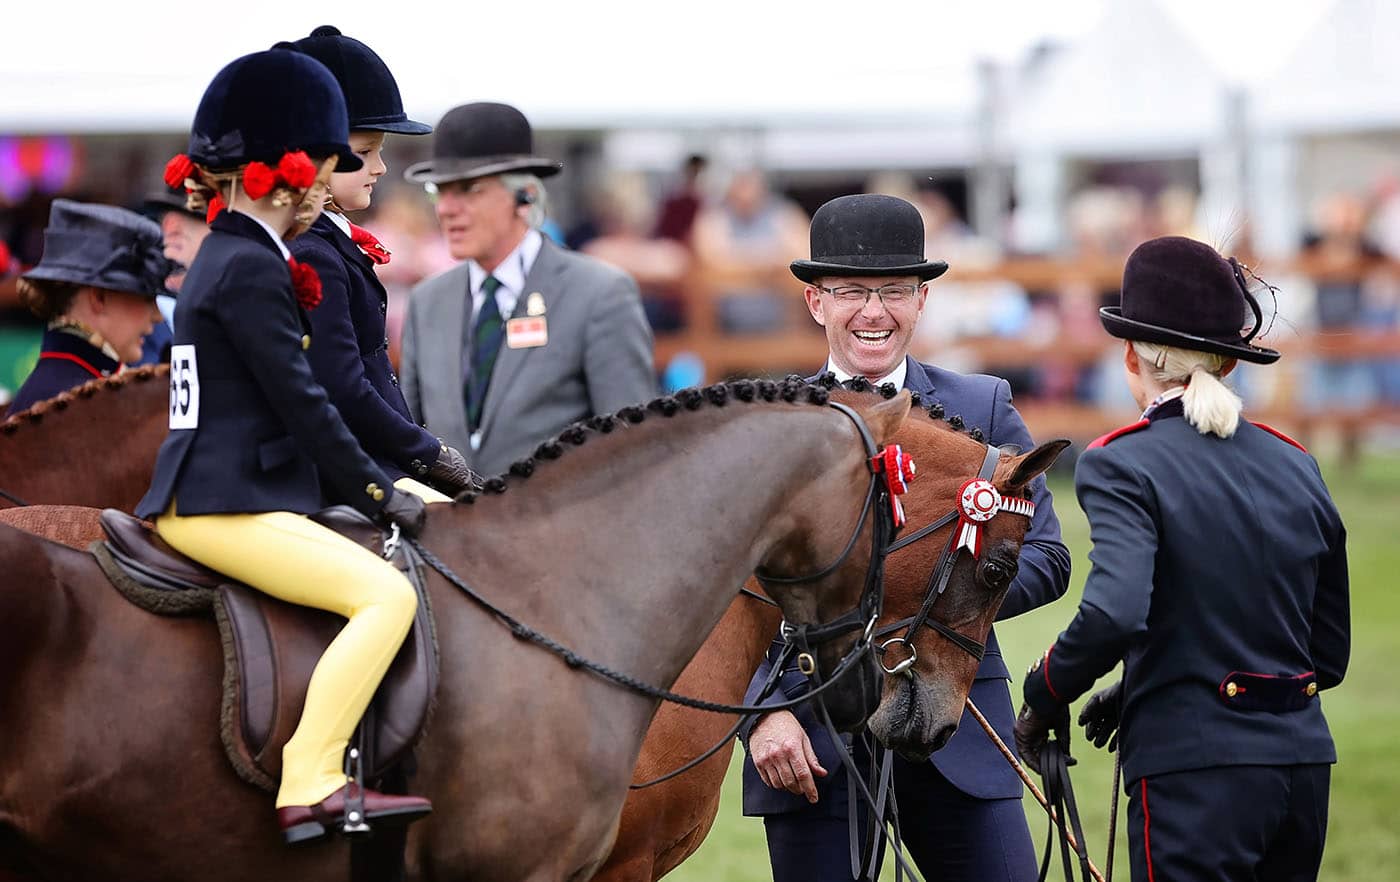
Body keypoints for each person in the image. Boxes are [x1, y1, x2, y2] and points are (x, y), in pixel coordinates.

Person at [135, 47, 433, 844]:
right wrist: (383, 494)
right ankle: (313, 778)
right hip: (223, 500)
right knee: (386, 598)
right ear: (298, 172)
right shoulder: (248, 266)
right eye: (336, 161)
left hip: (227, 487)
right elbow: (307, 406)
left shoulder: (238, 253)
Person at [740, 194, 1071, 882]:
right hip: (809, 737)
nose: (874, 311)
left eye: (893, 291)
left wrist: (937, 608)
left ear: (921, 301)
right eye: (853, 292)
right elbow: (727, 598)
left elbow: (1046, 556)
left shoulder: (982, 407)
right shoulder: (771, 419)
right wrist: (762, 716)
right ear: (815, 303)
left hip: (957, 724)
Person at [1015, 236, 1349, 882]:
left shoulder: (1121, 461)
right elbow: (1325, 654)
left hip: (1190, 777)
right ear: (1227, 364)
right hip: (1302, 771)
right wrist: (1147, 683)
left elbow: (1114, 612)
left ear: (1131, 355)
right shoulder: (1296, 462)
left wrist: (1045, 690)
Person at [399, 101, 655, 477]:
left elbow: (633, 449)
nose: (447, 209)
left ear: (527, 197)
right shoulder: (427, 302)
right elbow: (410, 439)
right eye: (440, 190)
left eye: (469, 189)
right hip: (446, 532)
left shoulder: (600, 294)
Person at [284, 26, 477, 503]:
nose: (381, 167)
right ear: (317, 155)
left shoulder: (328, 242)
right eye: (366, 152)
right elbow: (344, 389)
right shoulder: (312, 252)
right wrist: (429, 453)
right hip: (344, 480)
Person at [7, 199, 172, 415]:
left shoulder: (67, 392)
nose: (158, 316)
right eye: (146, 298)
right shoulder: (77, 405)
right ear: (99, 298)